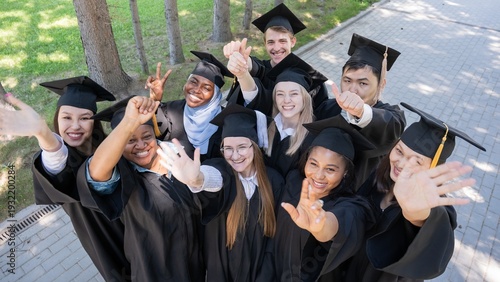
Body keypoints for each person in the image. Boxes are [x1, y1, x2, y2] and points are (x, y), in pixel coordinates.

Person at [0, 77, 132, 281]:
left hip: (137, 227)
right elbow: (57, 164)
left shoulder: (109, 145)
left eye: (85, 118)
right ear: (57, 118)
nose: (75, 126)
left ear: (95, 120)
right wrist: (43, 135)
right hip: (102, 237)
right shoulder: (62, 157)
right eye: (67, 117)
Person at [341, 102, 486, 281]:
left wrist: (415, 215)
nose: (401, 163)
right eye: (399, 151)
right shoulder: (380, 175)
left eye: (416, 162)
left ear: (433, 169)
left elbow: (434, 248)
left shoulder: (433, 205)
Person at [77, 96, 205, 281]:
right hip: (156, 273)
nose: (141, 145)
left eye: (147, 136)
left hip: (197, 265)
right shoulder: (121, 178)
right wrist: (128, 122)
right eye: (130, 140)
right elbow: (95, 174)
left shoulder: (177, 156)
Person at [157, 103, 284, 281]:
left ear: (254, 146)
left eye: (242, 147)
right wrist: (197, 179)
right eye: (228, 148)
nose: (235, 155)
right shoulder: (223, 171)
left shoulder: (274, 181)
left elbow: (277, 238)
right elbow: (212, 178)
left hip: (262, 271)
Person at [273, 115, 376, 281]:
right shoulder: (293, 181)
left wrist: (320, 227)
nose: (318, 176)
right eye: (313, 164)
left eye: (330, 169)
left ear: (346, 173)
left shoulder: (352, 207)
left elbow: (337, 226)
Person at [316, 33, 406, 189]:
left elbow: (392, 125)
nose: (352, 90)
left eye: (363, 83)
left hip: (358, 198)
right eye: (347, 80)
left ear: (381, 85)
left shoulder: (389, 116)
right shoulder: (327, 108)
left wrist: (361, 112)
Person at [224, 3, 329, 114]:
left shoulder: (308, 76)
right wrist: (242, 61)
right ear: (265, 43)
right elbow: (253, 66)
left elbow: (322, 111)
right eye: (271, 42)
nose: (277, 48)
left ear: (292, 42)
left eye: (282, 41)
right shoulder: (260, 68)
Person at [145, 51, 233, 161]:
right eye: (193, 82)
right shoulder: (172, 110)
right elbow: (155, 132)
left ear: (215, 95)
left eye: (206, 88)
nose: (196, 90)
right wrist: (154, 100)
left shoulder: (226, 123)